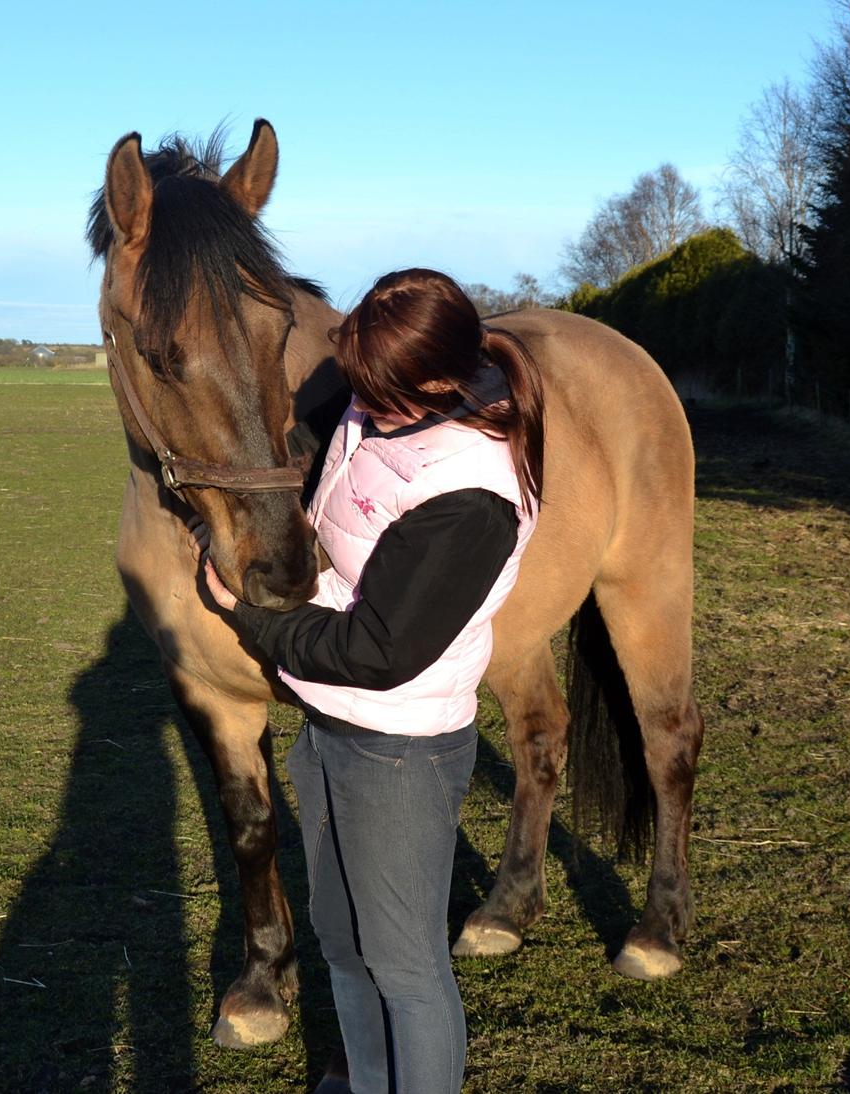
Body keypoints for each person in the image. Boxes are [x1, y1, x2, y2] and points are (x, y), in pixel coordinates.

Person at [201, 267, 545, 1094]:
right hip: (329, 727)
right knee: (342, 943)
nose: (360, 403)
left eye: (378, 393)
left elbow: (378, 650)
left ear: (436, 383)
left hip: (398, 750)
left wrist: (245, 613)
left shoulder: (472, 497)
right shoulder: (376, 403)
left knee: (406, 967)